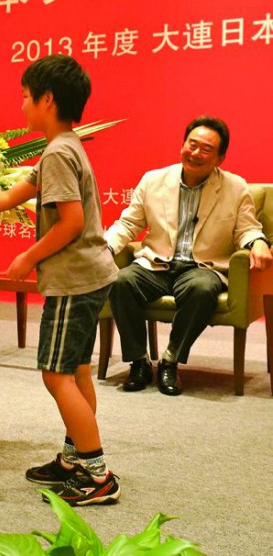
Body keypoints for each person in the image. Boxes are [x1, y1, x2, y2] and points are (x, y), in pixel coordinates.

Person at [0, 54, 120, 506]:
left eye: (25, 96)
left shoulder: (58, 153)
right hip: (89, 276)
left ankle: (96, 474)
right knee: (74, 369)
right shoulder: (64, 146)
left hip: (75, 280)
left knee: (56, 374)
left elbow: (70, 222)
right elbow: (9, 197)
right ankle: (75, 458)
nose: (21, 105)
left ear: (47, 99)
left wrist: (27, 258)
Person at [105, 116, 272, 396]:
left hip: (203, 266)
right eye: (191, 144)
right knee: (121, 281)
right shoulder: (153, 180)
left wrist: (257, 242)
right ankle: (139, 362)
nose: (195, 153)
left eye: (205, 149)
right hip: (156, 263)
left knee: (201, 288)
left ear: (220, 158)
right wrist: (106, 247)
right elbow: (128, 224)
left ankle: (170, 360)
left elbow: (247, 228)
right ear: (183, 144)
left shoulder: (235, 187)